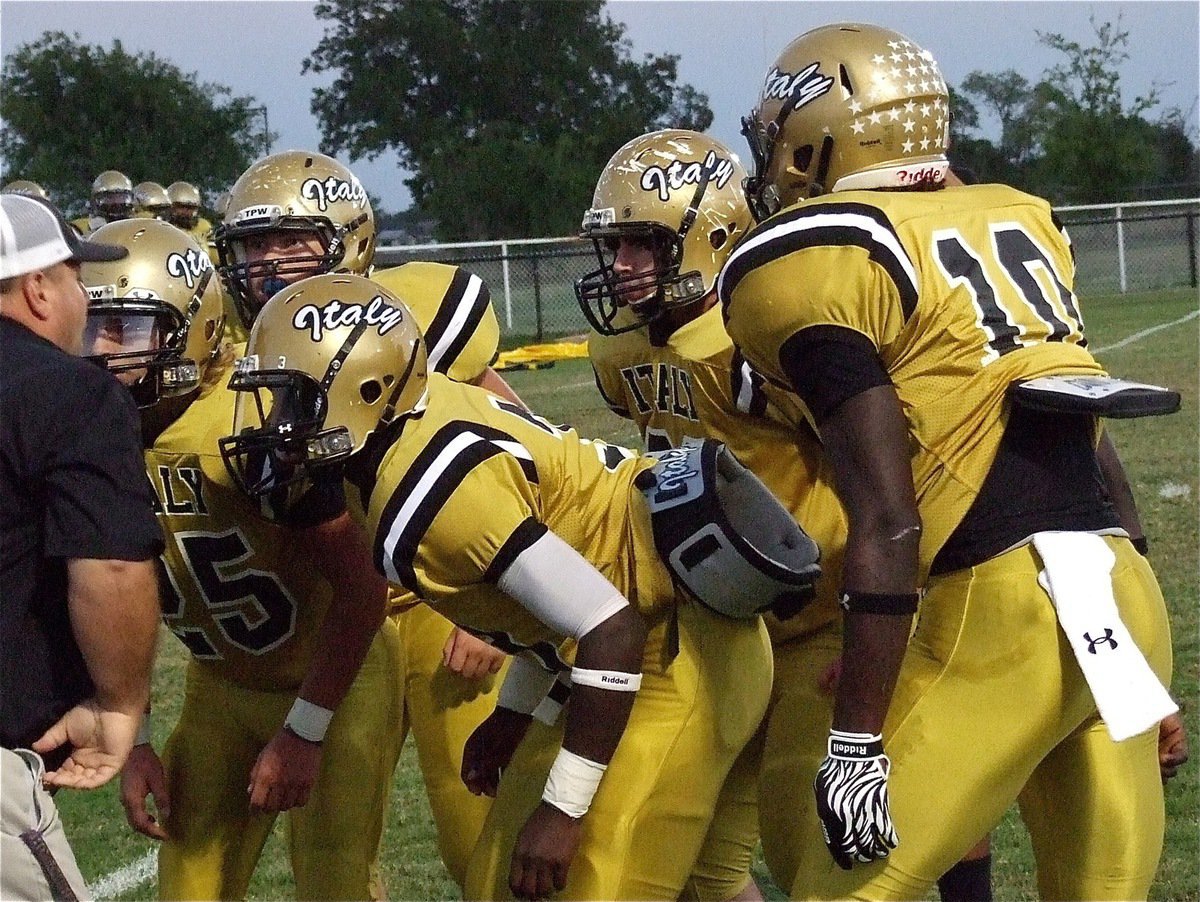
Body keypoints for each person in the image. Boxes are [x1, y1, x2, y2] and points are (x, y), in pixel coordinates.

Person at [718, 22, 1178, 901]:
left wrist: (855, 746)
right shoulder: (1016, 219)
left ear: (818, 142)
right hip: (1119, 588)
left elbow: (888, 515)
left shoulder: (811, 262)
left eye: (780, 136)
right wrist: (1144, 674)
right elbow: (1088, 435)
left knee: (834, 892)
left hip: (1004, 607)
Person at [218, 272, 823, 900]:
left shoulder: (435, 492)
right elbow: (556, 590)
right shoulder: (403, 431)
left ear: (365, 388)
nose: (277, 423)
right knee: (499, 886)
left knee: (593, 884)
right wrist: (511, 713)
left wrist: (563, 810)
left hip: (672, 650)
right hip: (622, 648)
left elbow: (607, 625)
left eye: (295, 400)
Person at [212, 149, 514, 889]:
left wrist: (493, 608)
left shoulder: (408, 317)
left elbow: (520, 448)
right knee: (335, 857)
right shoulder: (224, 337)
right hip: (342, 614)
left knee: (477, 835)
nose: (270, 263)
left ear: (346, 240)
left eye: (292, 241)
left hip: (444, 602)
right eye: (254, 245)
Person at [77, 216, 401, 901]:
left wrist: (306, 732)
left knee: (332, 882)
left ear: (187, 328)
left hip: (331, 683)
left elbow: (362, 589)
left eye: (125, 328)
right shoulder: (83, 431)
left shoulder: (249, 419)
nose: (98, 351)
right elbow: (92, 596)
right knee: (188, 883)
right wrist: (130, 739)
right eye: (88, 325)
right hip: (220, 688)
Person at [577, 127, 848, 901]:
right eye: (616, 246)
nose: (621, 266)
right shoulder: (623, 353)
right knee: (702, 866)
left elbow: (875, 463)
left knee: (811, 853)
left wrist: (883, 606)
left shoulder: (754, 337)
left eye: (642, 245)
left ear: (710, 237)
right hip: (725, 627)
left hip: (817, 623)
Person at [0, 193, 162, 901]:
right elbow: (114, 567)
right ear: (38, 288)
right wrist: (121, 704)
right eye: (72, 277)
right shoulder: (68, 393)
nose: (81, 298)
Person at [71, 170, 135, 235]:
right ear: (96, 201)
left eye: (121, 197)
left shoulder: (137, 224)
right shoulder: (82, 228)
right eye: (109, 198)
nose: (116, 202)